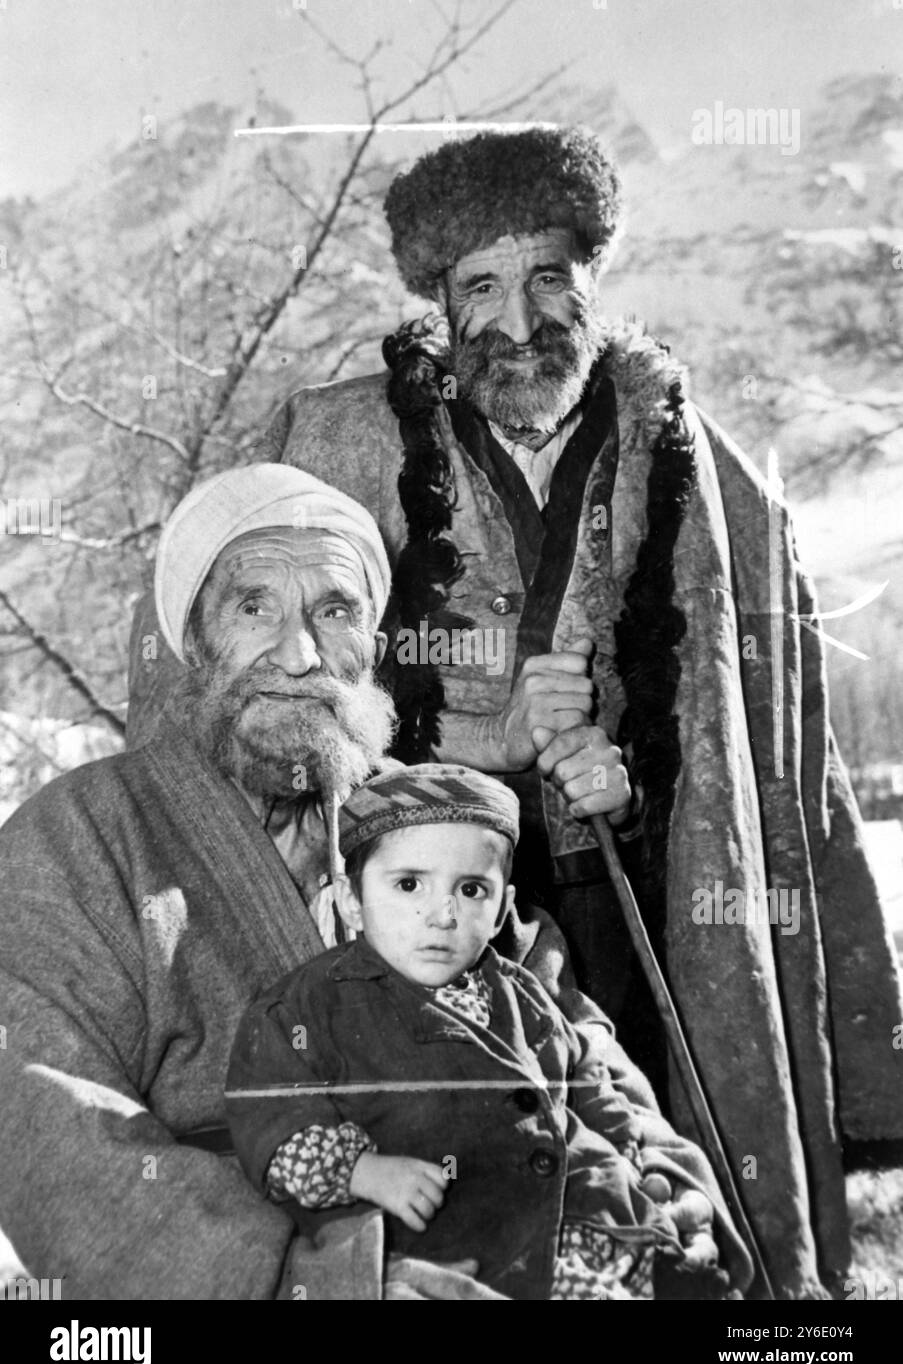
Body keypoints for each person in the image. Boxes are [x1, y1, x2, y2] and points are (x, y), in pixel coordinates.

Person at [125, 126, 903, 1298]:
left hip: (631, 906)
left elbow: (772, 757)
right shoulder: (334, 442)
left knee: (633, 1181)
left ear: (594, 278)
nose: (518, 318)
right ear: (440, 302)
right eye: (480, 286)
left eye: (547, 276)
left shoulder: (697, 463)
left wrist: (629, 782)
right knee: (468, 1210)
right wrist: (485, 745)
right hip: (415, 913)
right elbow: (241, 677)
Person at [0, 462, 736, 1300]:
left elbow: (568, 1035)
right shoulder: (80, 834)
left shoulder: (426, 817)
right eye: (253, 608)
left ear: (374, 651)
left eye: (335, 611)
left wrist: (663, 1177)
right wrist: (324, 1281)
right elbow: (45, 1120)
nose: (299, 653)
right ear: (195, 645)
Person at [226, 763, 749, 1300]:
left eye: (472, 889)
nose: (443, 914)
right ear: (352, 901)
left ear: (501, 911)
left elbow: (586, 1074)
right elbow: (271, 1114)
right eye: (409, 884)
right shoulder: (310, 1006)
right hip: (463, 1242)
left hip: (589, 1215)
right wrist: (361, 1170)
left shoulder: (521, 991)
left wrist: (628, 1152)